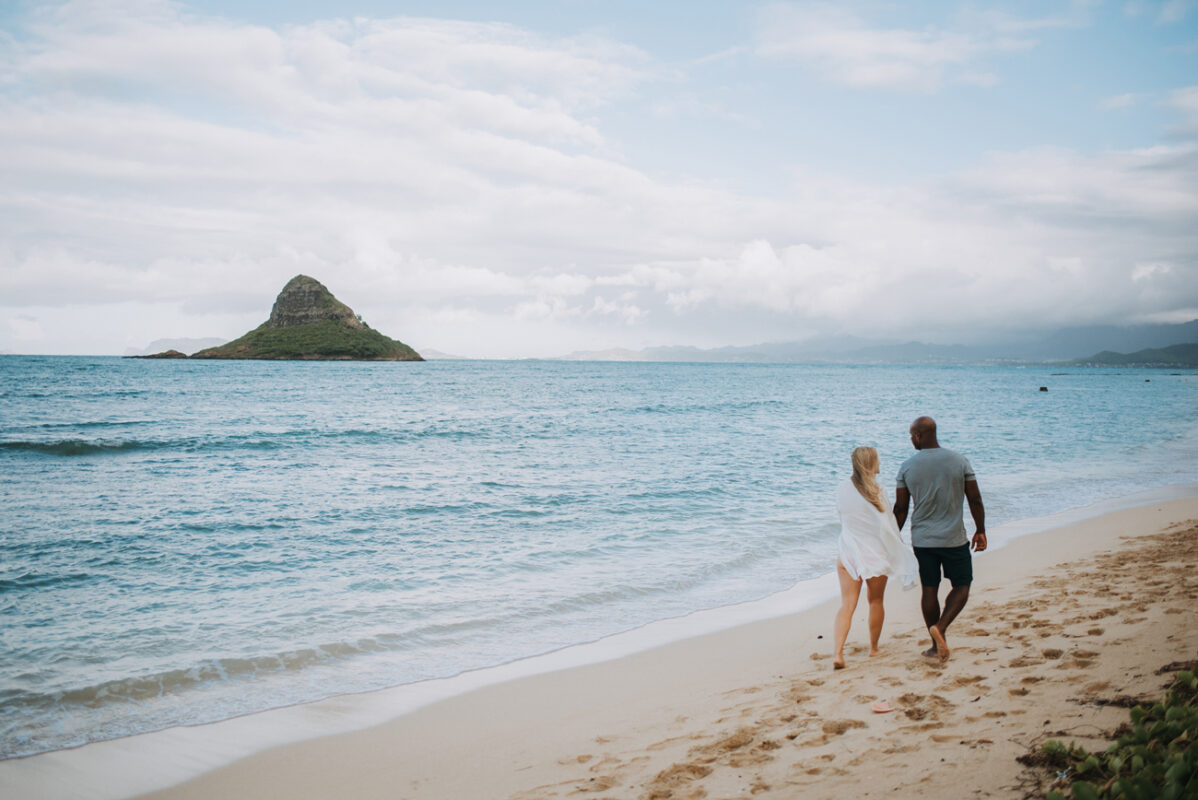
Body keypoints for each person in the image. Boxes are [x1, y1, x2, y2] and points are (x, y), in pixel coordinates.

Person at [893, 416, 986, 664]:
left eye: (912, 435)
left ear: (919, 436)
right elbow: (974, 499)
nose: (911, 439)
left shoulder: (907, 467)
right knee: (962, 585)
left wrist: (892, 536)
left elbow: (900, 509)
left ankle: (936, 644)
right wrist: (980, 530)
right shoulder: (959, 461)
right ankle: (942, 627)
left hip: (923, 540)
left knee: (929, 589)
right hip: (954, 538)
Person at [832, 446, 918, 670]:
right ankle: (873, 649)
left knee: (847, 605)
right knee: (876, 601)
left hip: (848, 552)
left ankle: (838, 653)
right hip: (873, 555)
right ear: (871, 463)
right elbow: (887, 525)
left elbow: (842, 517)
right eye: (878, 460)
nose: (880, 463)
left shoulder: (842, 488)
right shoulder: (878, 492)